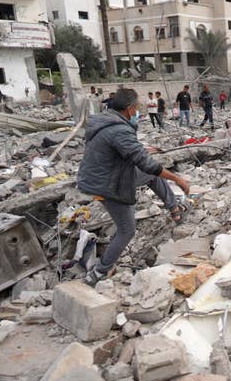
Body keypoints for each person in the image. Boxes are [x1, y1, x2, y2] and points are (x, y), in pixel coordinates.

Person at [77, 88, 191, 285]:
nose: (138, 110)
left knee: (151, 177)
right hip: (108, 184)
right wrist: (178, 179)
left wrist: (144, 149)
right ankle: (98, 273)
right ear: (129, 109)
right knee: (127, 230)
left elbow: (119, 149)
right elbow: (147, 164)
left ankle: (174, 209)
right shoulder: (119, 129)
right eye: (137, 107)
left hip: (99, 176)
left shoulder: (105, 121)